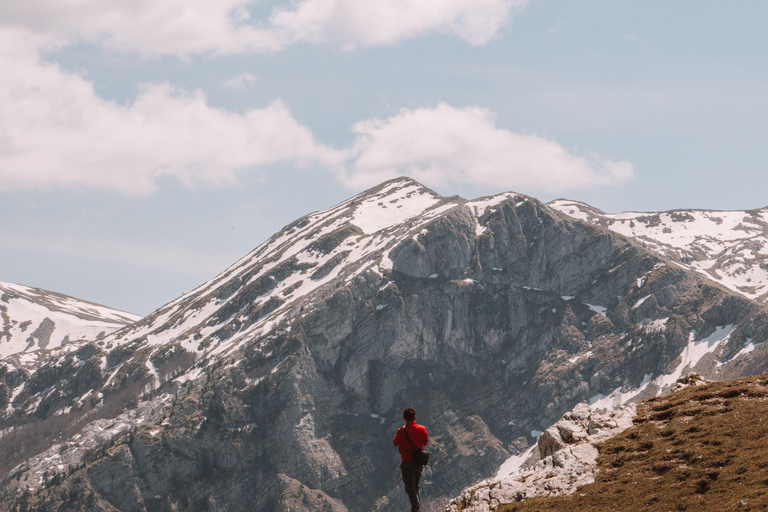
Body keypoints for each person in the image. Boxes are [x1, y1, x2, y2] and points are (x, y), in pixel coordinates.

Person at [393, 407, 429, 512]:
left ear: (404, 418)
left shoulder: (401, 431)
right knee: (416, 487)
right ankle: (417, 508)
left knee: (410, 488)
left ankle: (416, 509)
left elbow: (395, 443)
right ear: (415, 417)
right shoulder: (422, 429)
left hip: (407, 463)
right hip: (418, 462)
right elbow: (425, 442)